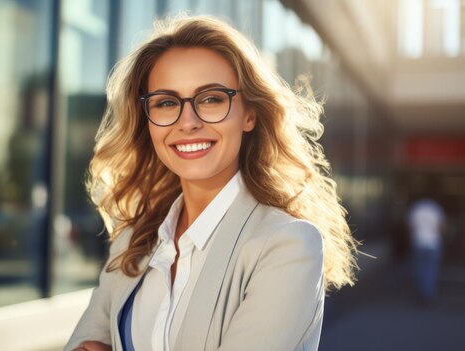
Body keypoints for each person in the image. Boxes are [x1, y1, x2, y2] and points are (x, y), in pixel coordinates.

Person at [65, 15, 357, 351]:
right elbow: (82, 344)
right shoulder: (133, 240)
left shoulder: (287, 245)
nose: (187, 122)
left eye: (211, 99)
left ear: (249, 114)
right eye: (165, 103)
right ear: (147, 120)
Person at [407, 198, 445, 305]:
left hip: (418, 242)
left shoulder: (415, 208)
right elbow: (441, 226)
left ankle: (421, 292)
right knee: (431, 269)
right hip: (433, 242)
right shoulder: (436, 208)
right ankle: (428, 294)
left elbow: (409, 226)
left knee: (419, 268)